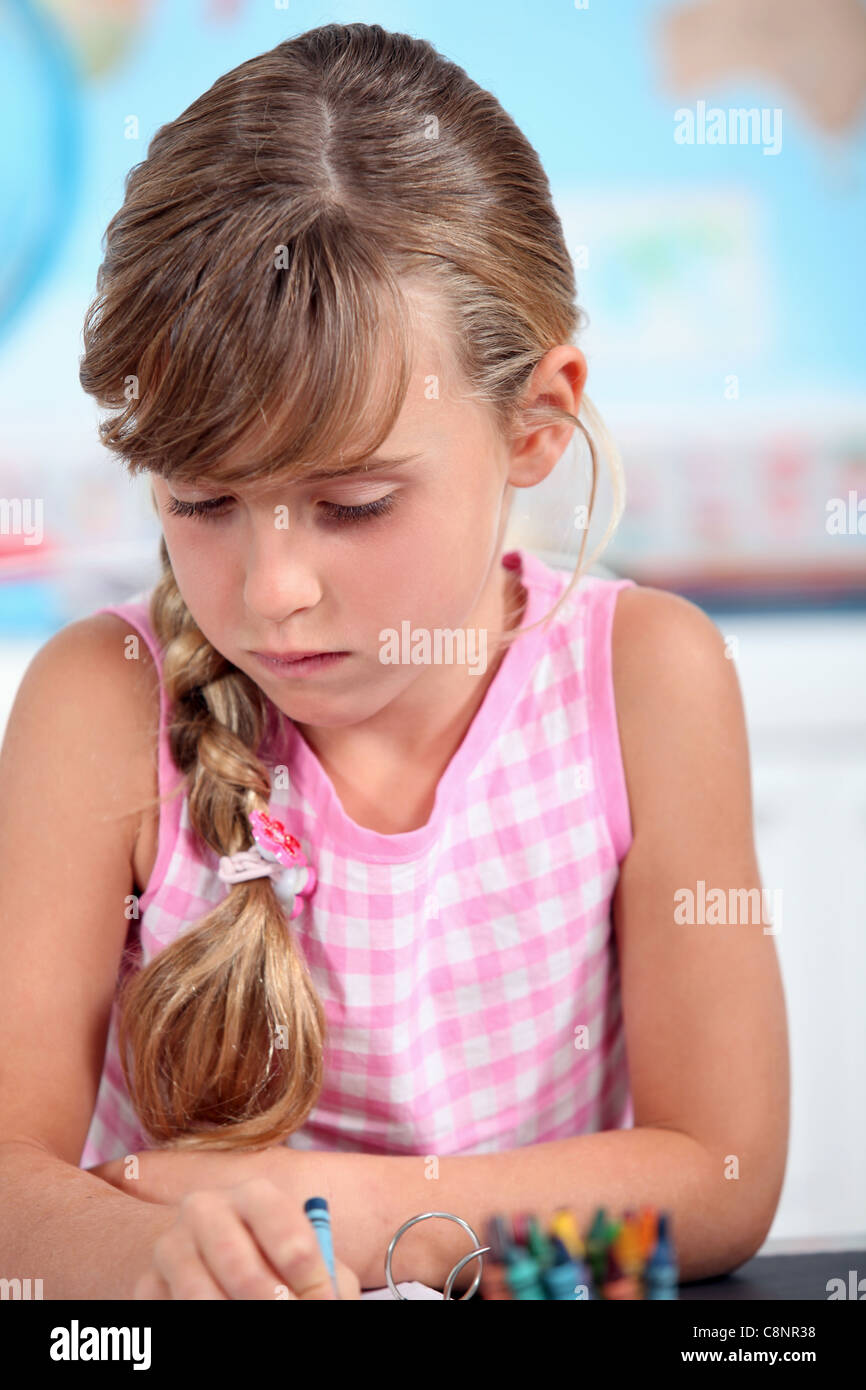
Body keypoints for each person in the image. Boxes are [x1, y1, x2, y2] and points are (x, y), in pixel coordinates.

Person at [0, 22, 788, 1300]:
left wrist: (365, 1216)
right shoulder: (101, 706)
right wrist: (162, 1258)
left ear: (535, 423)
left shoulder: (645, 681)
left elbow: (720, 1189)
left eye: (353, 505)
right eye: (200, 502)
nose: (272, 592)